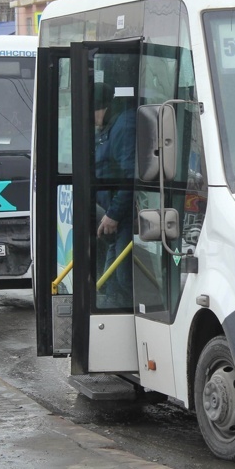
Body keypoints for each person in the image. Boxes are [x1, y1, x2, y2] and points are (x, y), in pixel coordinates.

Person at [94, 83, 135, 309]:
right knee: (111, 281)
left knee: (123, 278)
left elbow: (130, 177)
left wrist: (113, 214)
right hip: (111, 217)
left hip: (121, 216)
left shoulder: (123, 126)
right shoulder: (109, 127)